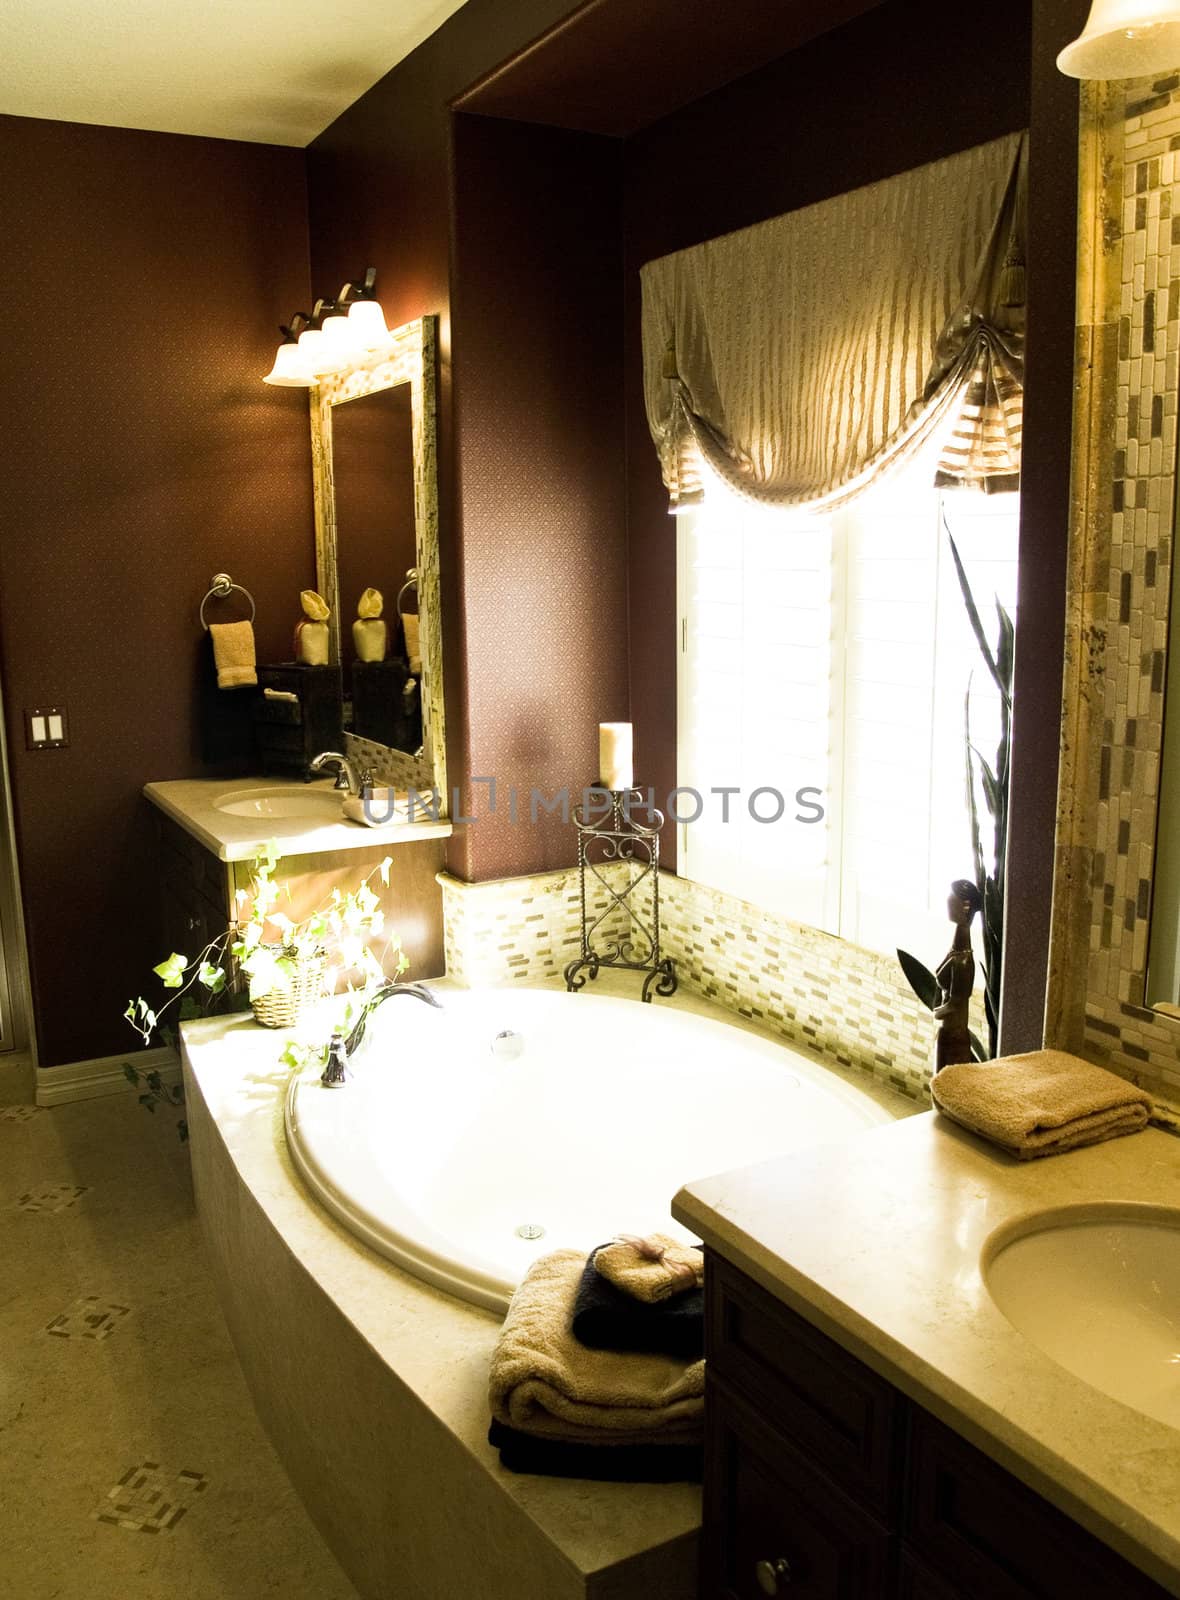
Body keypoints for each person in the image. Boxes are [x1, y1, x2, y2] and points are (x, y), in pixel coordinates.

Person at [933, 878, 983, 1072]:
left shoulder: (963, 961)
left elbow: (955, 1004)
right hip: (948, 1031)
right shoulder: (957, 952)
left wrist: (936, 1011)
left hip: (954, 1036)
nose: (947, 901)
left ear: (965, 908)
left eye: (952, 899)